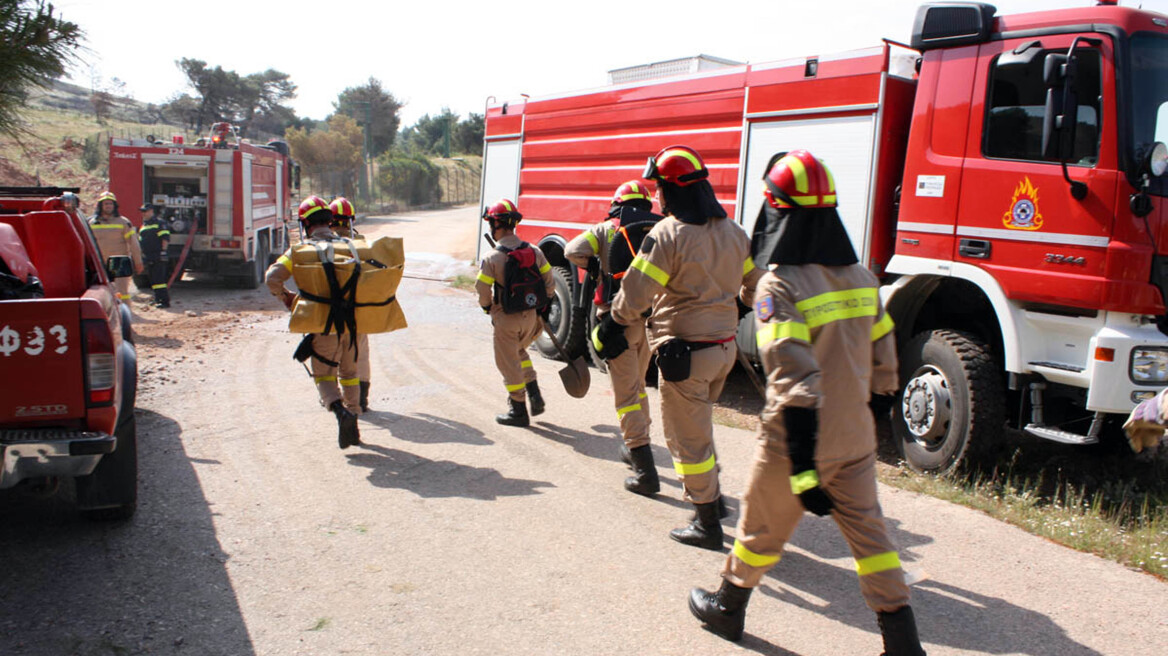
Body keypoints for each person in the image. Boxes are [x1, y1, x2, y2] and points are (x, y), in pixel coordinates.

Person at [688, 150, 924, 655]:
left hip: (797, 438)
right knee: (873, 539)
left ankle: (727, 609)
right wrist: (865, 416)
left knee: (759, 528)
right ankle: (903, 641)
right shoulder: (864, 279)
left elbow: (795, 379)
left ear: (778, 213)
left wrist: (802, 470)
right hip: (855, 436)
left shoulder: (780, 286)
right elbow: (885, 370)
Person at [601, 146, 763, 549]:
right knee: (699, 427)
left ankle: (706, 521)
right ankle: (712, 498)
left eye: (659, 188)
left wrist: (614, 322)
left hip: (684, 355)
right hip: (723, 351)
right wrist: (733, 309)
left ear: (673, 190)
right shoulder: (734, 232)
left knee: (686, 439)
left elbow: (637, 291)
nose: (656, 196)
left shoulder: (668, 234)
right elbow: (755, 285)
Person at [564, 180, 662, 495]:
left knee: (625, 394)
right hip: (650, 322)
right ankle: (639, 441)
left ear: (616, 203)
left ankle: (642, 465)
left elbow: (571, 250)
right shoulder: (658, 229)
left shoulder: (607, 228)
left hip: (616, 321)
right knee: (638, 385)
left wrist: (593, 265)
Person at [265, 195, 361, 449]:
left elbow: (272, 277)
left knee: (324, 376)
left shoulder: (298, 251)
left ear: (305, 225)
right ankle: (355, 422)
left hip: (322, 327)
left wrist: (286, 297)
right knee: (350, 374)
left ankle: (341, 413)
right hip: (353, 326)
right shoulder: (349, 246)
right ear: (329, 221)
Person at [475, 199, 555, 427]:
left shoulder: (492, 258)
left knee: (508, 364)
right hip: (531, 318)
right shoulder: (535, 251)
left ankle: (518, 411)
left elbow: (482, 289)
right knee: (520, 353)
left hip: (506, 319)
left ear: (496, 225)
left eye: (491, 223)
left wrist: (488, 308)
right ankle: (535, 394)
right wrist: (540, 307)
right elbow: (550, 284)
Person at [329, 196, 373, 412]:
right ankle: (361, 399)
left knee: (333, 355)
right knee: (361, 354)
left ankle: (335, 398)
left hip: (329, 310)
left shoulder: (322, 245)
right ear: (351, 220)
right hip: (358, 310)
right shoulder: (361, 244)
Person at [88, 191, 143, 302]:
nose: (108, 206)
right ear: (100, 206)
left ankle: (125, 314)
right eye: (106, 204)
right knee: (99, 292)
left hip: (119, 262)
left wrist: (138, 262)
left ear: (114, 206)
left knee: (122, 292)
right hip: (98, 263)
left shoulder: (123, 222)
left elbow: (133, 243)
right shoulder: (91, 223)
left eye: (110, 204)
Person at [137, 203, 171, 308]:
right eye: (142, 211)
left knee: (159, 279)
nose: (143, 213)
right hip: (148, 256)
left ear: (152, 211)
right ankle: (157, 299)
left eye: (145, 211)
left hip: (158, 255)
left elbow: (165, 238)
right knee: (153, 279)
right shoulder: (144, 225)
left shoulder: (159, 223)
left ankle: (164, 301)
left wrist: (163, 252)